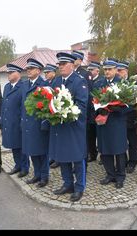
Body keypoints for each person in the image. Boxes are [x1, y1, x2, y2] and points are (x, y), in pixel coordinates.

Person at [49, 52, 88, 202]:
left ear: (72, 65)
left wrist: (65, 112)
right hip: (59, 126)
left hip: (74, 126)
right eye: (59, 64)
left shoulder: (79, 81)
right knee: (62, 156)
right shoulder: (56, 81)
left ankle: (79, 187)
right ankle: (67, 184)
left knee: (77, 157)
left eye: (63, 64)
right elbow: (51, 100)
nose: (61, 67)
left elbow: (82, 105)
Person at [95, 58, 130, 189]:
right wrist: (99, 109)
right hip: (103, 121)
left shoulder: (122, 84)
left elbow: (131, 104)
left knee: (119, 150)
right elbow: (92, 100)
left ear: (116, 70)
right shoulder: (99, 83)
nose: (107, 72)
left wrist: (119, 109)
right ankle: (110, 174)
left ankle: (120, 176)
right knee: (105, 149)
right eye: (105, 69)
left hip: (117, 121)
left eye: (110, 69)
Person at [21, 58, 50, 188]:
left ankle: (44, 176)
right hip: (27, 123)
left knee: (42, 152)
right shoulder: (25, 84)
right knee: (32, 151)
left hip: (38, 124)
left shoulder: (43, 85)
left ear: (38, 70)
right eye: (27, 69)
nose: (28, 71)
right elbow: (22, 106)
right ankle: (37, 174)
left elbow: (47, 107)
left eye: (31, 69)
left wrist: (44, 124)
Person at [1, 64, 30, 178]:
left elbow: (24, 106)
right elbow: (4, 105)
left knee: (21, 146)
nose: (8, 75)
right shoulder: (7, 87)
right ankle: (17, 165)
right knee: (13, 145)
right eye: (8, 73)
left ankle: (24, 167)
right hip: (9, 121)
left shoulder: (23, 86)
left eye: (10, 72)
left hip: (18, 121)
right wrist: (2, 119)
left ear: (18, 73)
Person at [117, 60, 137, 174]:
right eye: (118, 70)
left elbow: (133, 102)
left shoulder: (132, 83)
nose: (118, 73)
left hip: (130, 116)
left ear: (126, 71)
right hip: (119, 117)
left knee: (132, 142)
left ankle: (132, 162)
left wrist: (121, 109)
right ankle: (123, 161)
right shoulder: (116, 83)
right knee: (121, 140)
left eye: (120, 71)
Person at [43, 63, 60, 169]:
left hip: (55, 113)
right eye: (45, 72)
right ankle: (52, 157)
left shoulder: (56, 82)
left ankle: (57, 159)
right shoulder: (45, 82)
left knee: (56, 137)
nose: (46, 74)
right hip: (48, 113)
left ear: (53, 72)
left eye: (47, 72)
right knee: (50, 138)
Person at [86, 61, 103, 163]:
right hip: (89, 112)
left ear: (97, 70)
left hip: (98, 112)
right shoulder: (87, 80)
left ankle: (102, 155)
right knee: (90, 135)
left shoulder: (101, 81)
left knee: (100, 135)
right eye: (88, 70)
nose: (90, 72)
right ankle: (92, 153)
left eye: (91, 70)